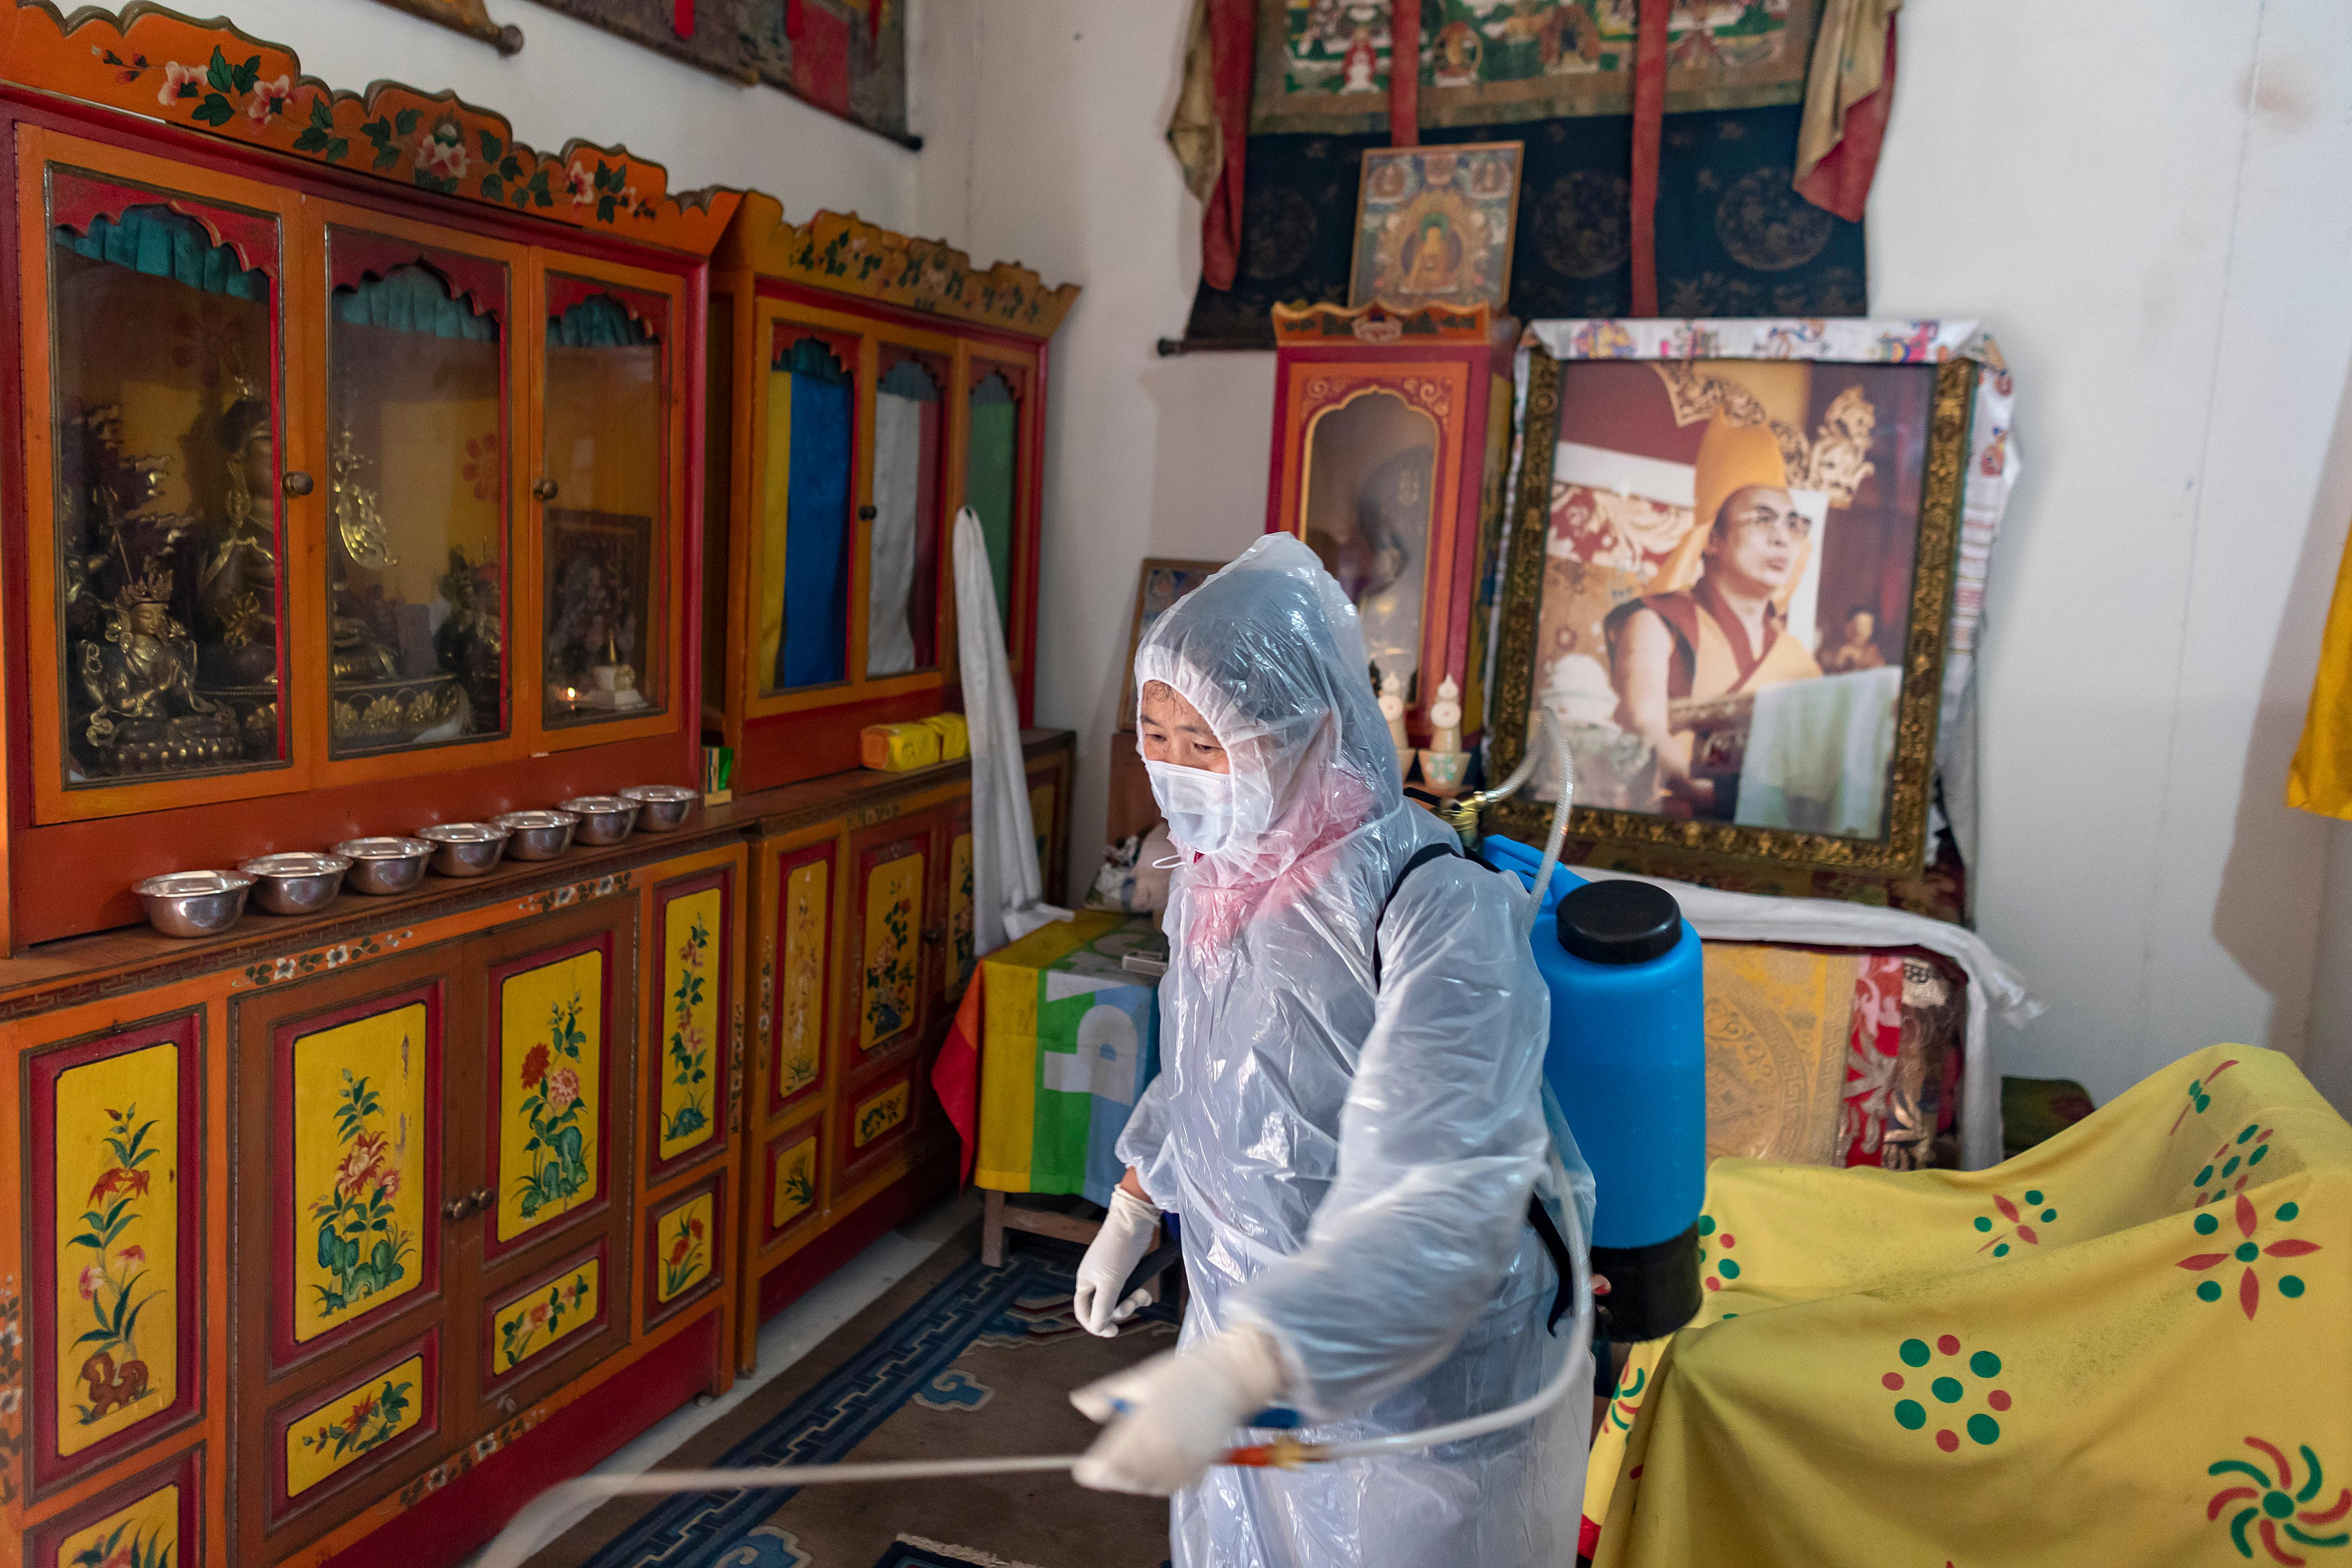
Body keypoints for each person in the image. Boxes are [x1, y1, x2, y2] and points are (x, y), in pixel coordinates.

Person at [1066, 534, 1588, 1568]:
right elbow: (1211, 1069)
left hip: (1419, 1402)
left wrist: (1265, 1354)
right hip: (1242, 1339)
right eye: (1155, 733)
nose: (1172, 768)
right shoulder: (1215, 879)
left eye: (1204, 742)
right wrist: (1137, 1197)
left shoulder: (1436, 905)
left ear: (1301, 730)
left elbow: (1445, 1192)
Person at [1605, 415, 1822, 812]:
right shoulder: (1657, 623)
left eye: (1792, 524)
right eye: (1762, 519)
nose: (1781, 537)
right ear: (1713, 539)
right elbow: (1643, 724)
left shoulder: (1798, 661)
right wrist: (1720, 799)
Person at [1821, 603, 1887, 674]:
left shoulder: (1875, 654)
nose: (1860, 631)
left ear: (1872, 630)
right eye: (1856, 625)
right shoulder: (1832, 650)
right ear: (1847, 627)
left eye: (1866, 627)